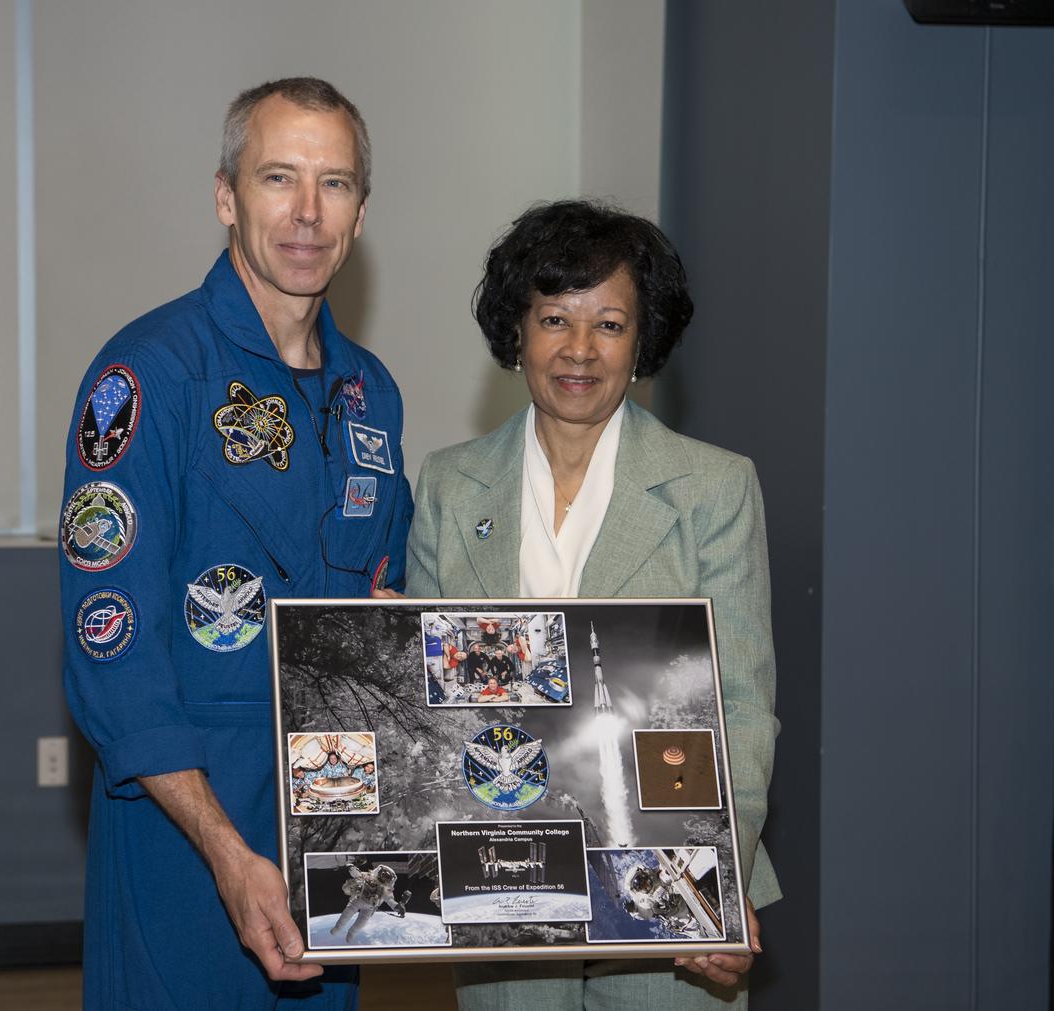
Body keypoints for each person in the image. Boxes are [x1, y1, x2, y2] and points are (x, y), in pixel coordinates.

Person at [60, 77, 412, 1011]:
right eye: (278, 178)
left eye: (334, 184)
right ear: (226, 196)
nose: (306, 212)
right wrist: (224, 850)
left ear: (361, 212)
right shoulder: (147, 376)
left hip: (335, 824)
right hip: (189, 824)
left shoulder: (371, 395)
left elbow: (386, 599)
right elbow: (111, 642)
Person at [405, 200, 778, 1008]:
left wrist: (713, 880)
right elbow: (430, 708)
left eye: (609, 324)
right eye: (553, 319)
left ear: (642, 343)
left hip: (663, 872)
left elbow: (742, 705)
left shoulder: (715, 487)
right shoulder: (444, 484)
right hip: (502, 871)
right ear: (517, 333)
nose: (579, 349)